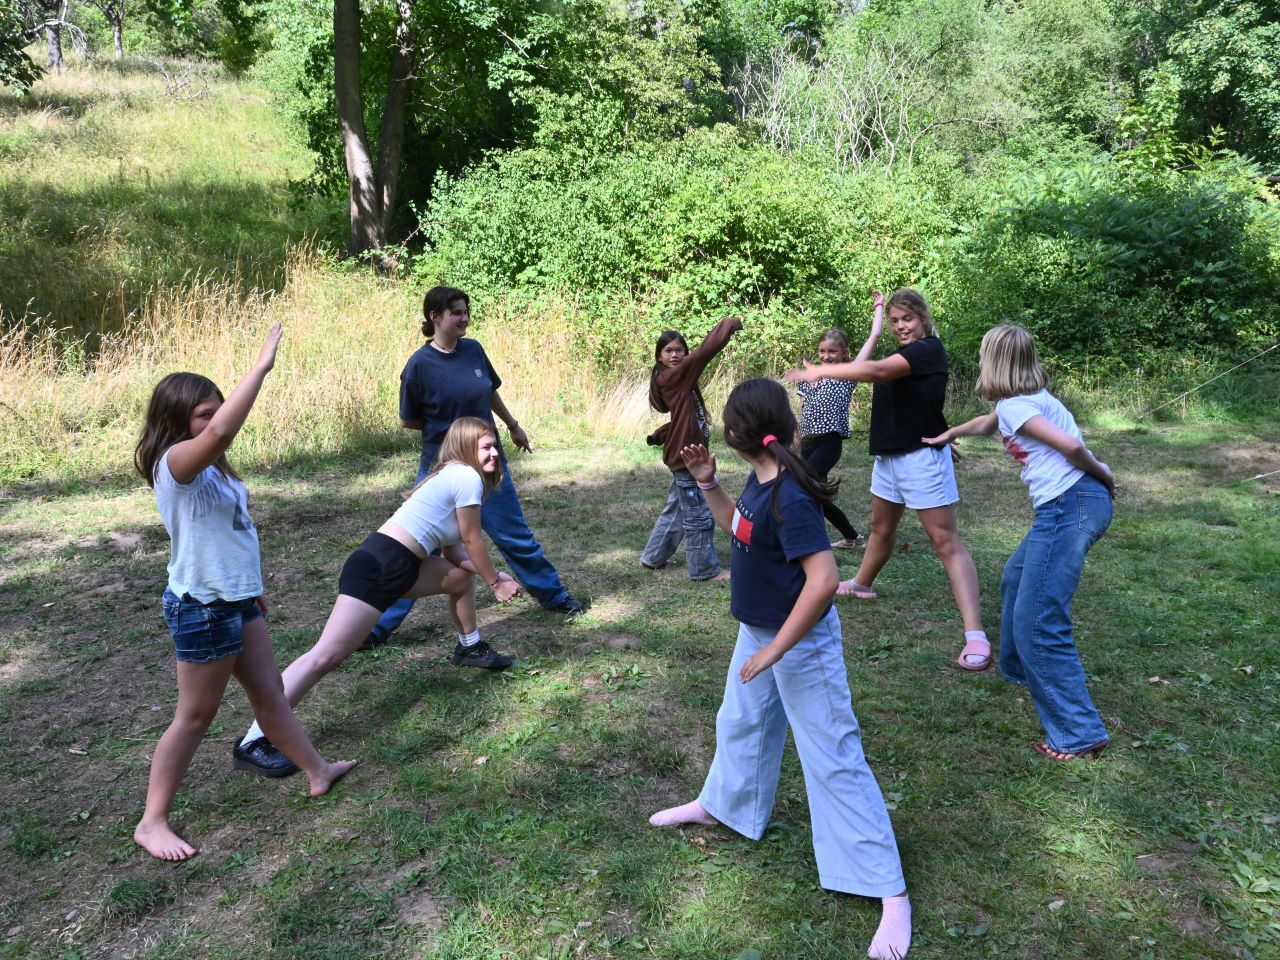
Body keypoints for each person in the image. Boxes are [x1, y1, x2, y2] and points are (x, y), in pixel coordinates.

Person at [648, 379, 912, 960]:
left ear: (738, 435)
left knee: (834, 757)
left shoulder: (789, 497)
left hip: (801, 644)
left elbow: (822, 583)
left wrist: (776, 651)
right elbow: (736, 529)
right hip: (759, 633)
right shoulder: (757, 481)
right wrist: (707, 483)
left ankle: (888, 889)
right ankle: (725, 805)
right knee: (740, 723)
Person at [132, 324, 357, 861]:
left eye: (215, 410)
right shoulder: (175, 467)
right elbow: (219, 437)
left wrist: (249, 590)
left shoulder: (212, 470)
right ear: (175, 422)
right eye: (203, 414)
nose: (214, 421)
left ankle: (317, 770)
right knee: (194, 716)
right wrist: (259, 369)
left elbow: (228, 532)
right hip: (202, 609)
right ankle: (152, 821)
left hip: (233, 601)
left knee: (269, 695)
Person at [232, 417, 522, 776]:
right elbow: (474, 539)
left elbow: (455, 554)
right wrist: (495, 583)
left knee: (459, 580)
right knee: (324, 656)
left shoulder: (453, 475)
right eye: (485, 446)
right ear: (465, 448)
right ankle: (254, 740)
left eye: (495, 445)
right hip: (380, 566)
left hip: (402, 562)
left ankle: (470, 646)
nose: (494, 452)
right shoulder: (465, 477)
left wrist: (492, 574)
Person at [923, 325, 1115, 761]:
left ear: (994, 362)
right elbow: (987, 423)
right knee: (1016, 577)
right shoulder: (1022, 404)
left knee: (1039, 619)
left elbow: (1069, 445)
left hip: (1071, 505)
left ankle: (1078, 732)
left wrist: (1103, 471)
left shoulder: (1017, 408)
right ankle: (1019, 669)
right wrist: (949, 434)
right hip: (1073, 504)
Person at [366, 286, 586, 648]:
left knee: (514, 534)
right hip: (440, 468)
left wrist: (513, 425)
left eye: (466, 311)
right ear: (435, 317)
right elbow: (409, 420)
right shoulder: (419, 365)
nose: (464, 318)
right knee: (417, 547)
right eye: (456, 312)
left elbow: (490, 393)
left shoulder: (474, 351)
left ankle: (553, 595)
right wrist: (452, 437)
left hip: (488, 462)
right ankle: (377, 626)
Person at [786, 288, 991, 672]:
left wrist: (821, 370)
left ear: (924, 318)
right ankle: (861, 584)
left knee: (944, 541)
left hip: (920, 459)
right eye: (895, 320)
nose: (901, 326)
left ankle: (975, 633)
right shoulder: (908, 353)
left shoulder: (929, 349)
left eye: (907, 319)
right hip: (890, 459)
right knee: (881, 530)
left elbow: (877, 371)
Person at [640, 316, 743, 580]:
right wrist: (728, 325)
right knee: (698, 513)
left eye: (679, 350)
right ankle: (704, 570)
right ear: (659, 356)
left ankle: (652, 557)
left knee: (677, 509)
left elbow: (680, 418)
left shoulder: (675, 377)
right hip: (689, 458)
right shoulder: (674, 376)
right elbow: (703, 353)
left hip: (686, 455)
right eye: (669, 350)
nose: (675, 355)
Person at [795, 292, 885, 549]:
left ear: (845, 353)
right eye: (822, 351)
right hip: (808, 443)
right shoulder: (811, 376)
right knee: (815, 495)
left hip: (829, 442)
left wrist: (879, 307)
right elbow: (803, 408)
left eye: (832, 351)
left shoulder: (847, 374)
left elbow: (874, 338)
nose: (826, 356)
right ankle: (852, 537)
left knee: (806, 488)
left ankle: (810, 539)